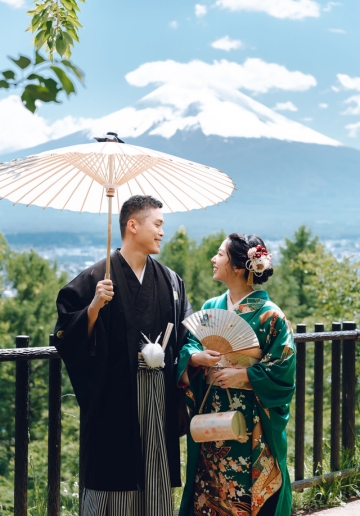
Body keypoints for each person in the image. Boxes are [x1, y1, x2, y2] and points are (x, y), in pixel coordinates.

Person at [54, 195, 192, 516]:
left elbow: (185, 337)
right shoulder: (94, 279)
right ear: (133, 225)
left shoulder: (171, 282)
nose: (161, 232)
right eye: (157, 224)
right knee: (112, 485)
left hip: (157, 399)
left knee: (154, 486)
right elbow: (66, 337)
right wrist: (94, 307)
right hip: (113, 403)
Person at [177, 233, 296, 516]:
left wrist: (243, 376)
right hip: (211, 416)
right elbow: (192, 343)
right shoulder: (210, 308)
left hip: (251, 422)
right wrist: (195, 357)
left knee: (248, 496)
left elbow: (283, 369)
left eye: (220, 254)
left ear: (239, 266)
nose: (213, 259)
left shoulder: (270, 316)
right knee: (210, 492)